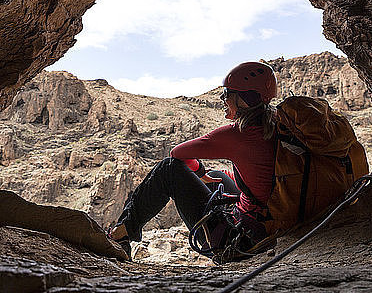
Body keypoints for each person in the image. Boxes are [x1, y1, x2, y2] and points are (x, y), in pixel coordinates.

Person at [108, 62, 278, 261]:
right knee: (217, 176)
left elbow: (177, 153)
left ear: (243, 99)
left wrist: (198, 170)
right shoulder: (276, 123)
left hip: (242, 241)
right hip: (268, 225)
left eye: (227, 94)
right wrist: (206, 176)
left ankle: (121, 233)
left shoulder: (237, 134)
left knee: (168, 169)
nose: (223, 100)